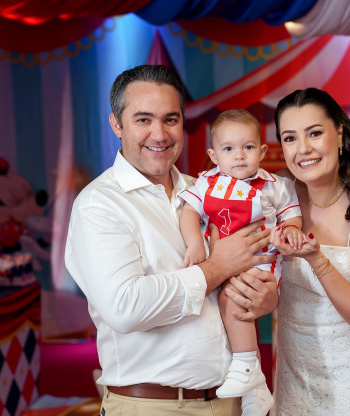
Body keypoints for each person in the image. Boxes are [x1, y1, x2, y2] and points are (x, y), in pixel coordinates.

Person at [64, 64, 279, 416]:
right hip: (152, 405)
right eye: (143, 119)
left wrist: (264, 298)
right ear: (117, 124)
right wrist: (217, 267)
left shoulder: (206, 191)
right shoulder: (99, 203)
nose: (159, 134)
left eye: (170, 119)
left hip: (230, 401)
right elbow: (125, 307)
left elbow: (248, 271)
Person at [269, 88, 350, 415]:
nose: (303, 149)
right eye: (290, 138)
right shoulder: (276, 195)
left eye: (314, 133)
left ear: (339, 134)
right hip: (295, 373)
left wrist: (317, 260)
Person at [179, 109, 305, 416]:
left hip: (260, 262)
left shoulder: (276, 185)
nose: (239, 155)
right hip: (221, 259)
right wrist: (195, 243)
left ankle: (247, 365)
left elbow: (292, 215)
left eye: (248, 147)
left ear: (261, 151)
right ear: (213, 155)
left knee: (234, 299)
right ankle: (255, 390)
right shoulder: (206, 183)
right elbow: (189, 213)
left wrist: (291, 231)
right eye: (228, 149)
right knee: (224, 304)